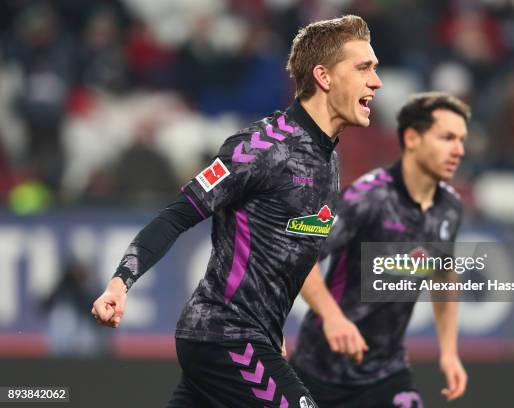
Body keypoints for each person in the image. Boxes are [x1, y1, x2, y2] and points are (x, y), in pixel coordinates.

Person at [91, 15, 381, 408]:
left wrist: (278, 328)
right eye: (363, 68)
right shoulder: (259, 149)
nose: (375, 81)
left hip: (248, 339)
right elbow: (178, 213)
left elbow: (292, 244)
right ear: (324, 77)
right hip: (223, 336)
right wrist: (120, 283)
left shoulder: (326, 157)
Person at [290, 92, 470, 408]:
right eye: (447, 138)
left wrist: (449, 352)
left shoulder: (451, 208)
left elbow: (443, 276)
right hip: (320, 369)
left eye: (461, 140)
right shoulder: (368, 198)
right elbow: (300, 258)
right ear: (412, 138)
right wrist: (333, 318)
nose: (458, 150)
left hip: (387, 373)